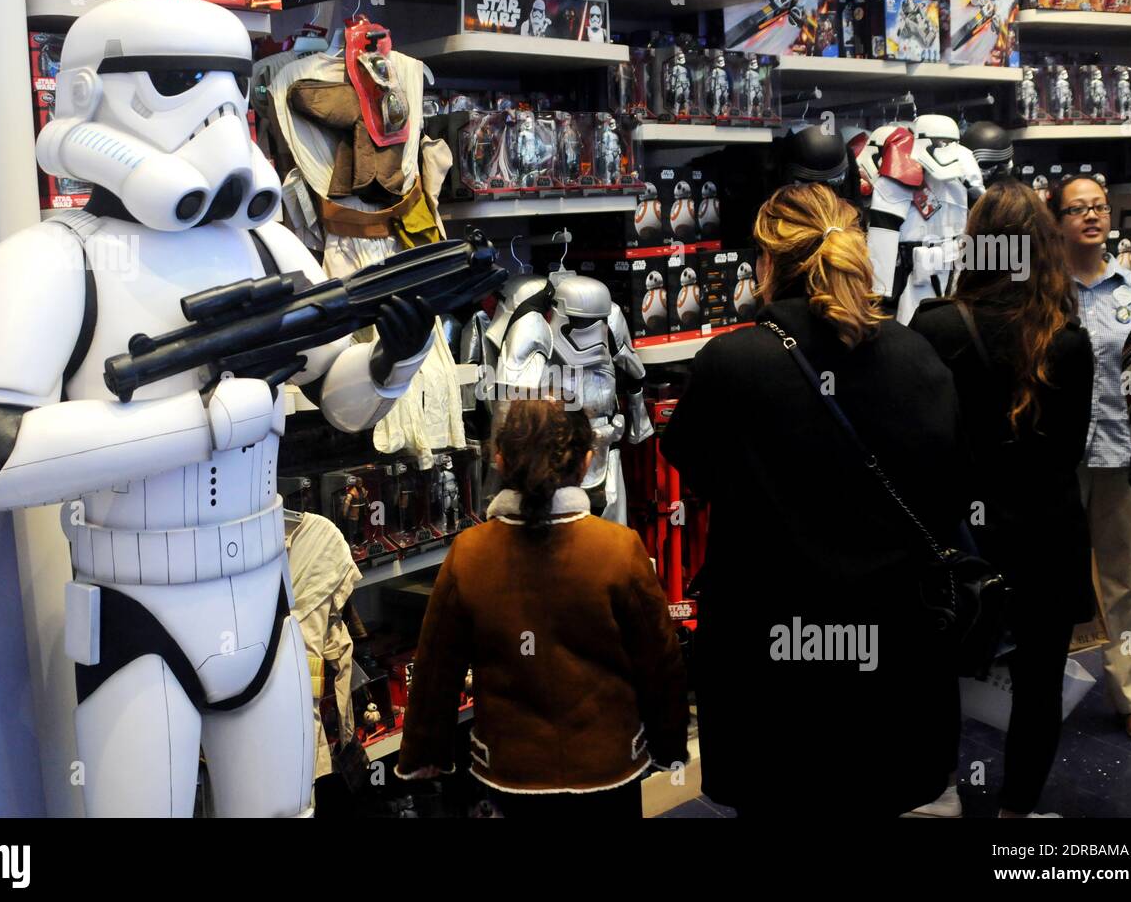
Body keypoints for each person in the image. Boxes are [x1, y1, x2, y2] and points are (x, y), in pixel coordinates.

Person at [662, 182, 969, 817]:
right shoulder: (919, 356)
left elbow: (694, 466)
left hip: (772, 664)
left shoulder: (731, 364)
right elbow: (944, 487)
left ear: (767, 265)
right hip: (893, 657)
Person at [397, 398, 688, 817]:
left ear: (499, 460)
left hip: (511, 768)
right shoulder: (617, 548)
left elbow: (436, 668)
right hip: (608, 765)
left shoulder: (470, 553)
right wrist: (669, 747)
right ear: (587, 462)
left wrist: (424, 752)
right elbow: (660, 663)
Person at [912, 179, 1095, 816]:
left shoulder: (934, 326)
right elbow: (1068, 451)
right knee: (1039, 682)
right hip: (1043, 532)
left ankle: (938, 794)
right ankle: (1019, 812)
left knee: (935, 672)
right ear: (1045, 249)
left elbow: (917, 440)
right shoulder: (1067, 339)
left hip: (954, 536)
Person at [1051, 175, 1131, 742]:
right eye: (1078, 209)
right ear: (1057, 222)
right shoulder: (1045, 292)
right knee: (1048, 578)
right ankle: (1039, 693)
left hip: (1119, 454)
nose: (1091, 217)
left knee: (1123, 581)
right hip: (1058, 459)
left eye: (1098, 207)